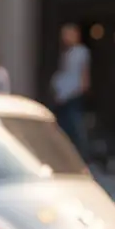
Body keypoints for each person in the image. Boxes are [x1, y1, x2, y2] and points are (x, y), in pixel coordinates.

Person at [50, 23, 91, 152]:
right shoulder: (66, 53)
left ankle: (82, 153)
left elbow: (84, 72)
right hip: (63, 93)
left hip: (74, 92)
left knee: (75, 125)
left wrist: (83, 86)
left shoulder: (81, 52)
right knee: (63, 124)